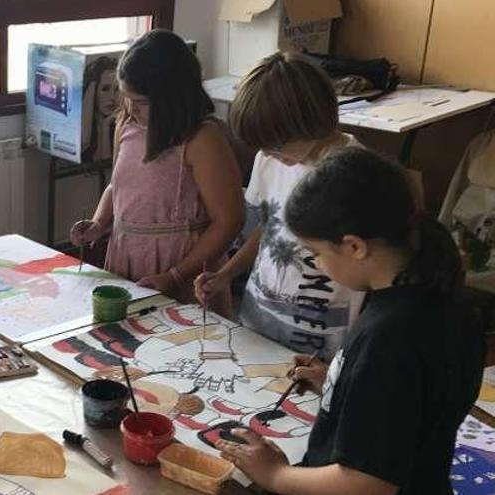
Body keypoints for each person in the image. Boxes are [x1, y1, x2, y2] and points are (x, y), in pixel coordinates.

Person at [217, 147, 484, 495]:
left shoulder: (392, 337)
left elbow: (368, 481)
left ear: (354, 246)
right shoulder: (444, 299)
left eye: (316, 254)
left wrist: (276, 476)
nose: (317, 264)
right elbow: (414, 400)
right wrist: (339, 379)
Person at [195, 52, 359, 358]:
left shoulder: (354, 172)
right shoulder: (269, 160)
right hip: (259, 319)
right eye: (262, 146)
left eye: (276, 145)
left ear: (312, 121)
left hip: (319, 337)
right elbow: (267, 228)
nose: (268, 154)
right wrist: (226, 274)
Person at [70, 29, 245, 310]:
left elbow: (229, 221)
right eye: (126, 97)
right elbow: (118, 185)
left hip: (183, 266)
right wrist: (99, 223)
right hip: (128, 257)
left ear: (172, 98)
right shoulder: (127, 125)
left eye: (141, 102)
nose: (130, 107)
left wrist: (175, 275)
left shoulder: (202, 139)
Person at [81, 55, 119, 163]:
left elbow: (105, 166)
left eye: (117, 89)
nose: (112, 97)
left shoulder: (122, 125)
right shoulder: (85, 128)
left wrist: (105, 127)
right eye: (105, 89)